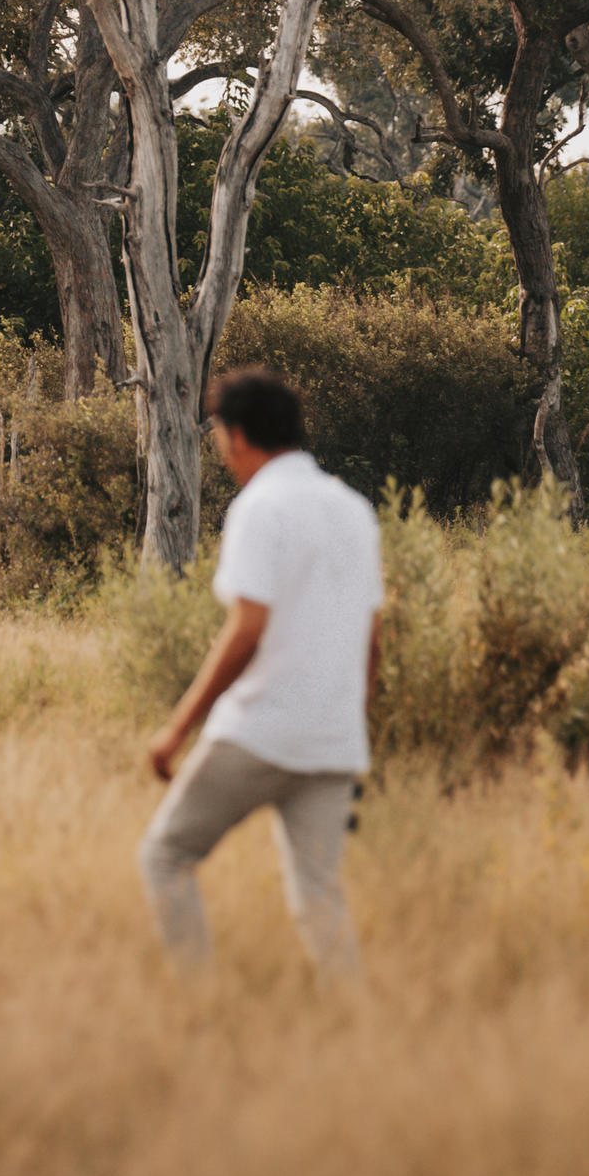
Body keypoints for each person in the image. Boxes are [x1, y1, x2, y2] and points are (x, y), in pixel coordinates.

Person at [138, 368, 383, 980]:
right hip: (333, 741)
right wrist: (353, 725)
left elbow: (246, 631)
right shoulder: (353, 509)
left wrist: (177, 728)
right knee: (318, 898)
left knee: (165, 855)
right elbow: (372, 636)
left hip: (262, 731)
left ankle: (198, 1007)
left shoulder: (259, 507)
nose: (220, 449)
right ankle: (357, 1030)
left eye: (220, 434)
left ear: (239, 436)